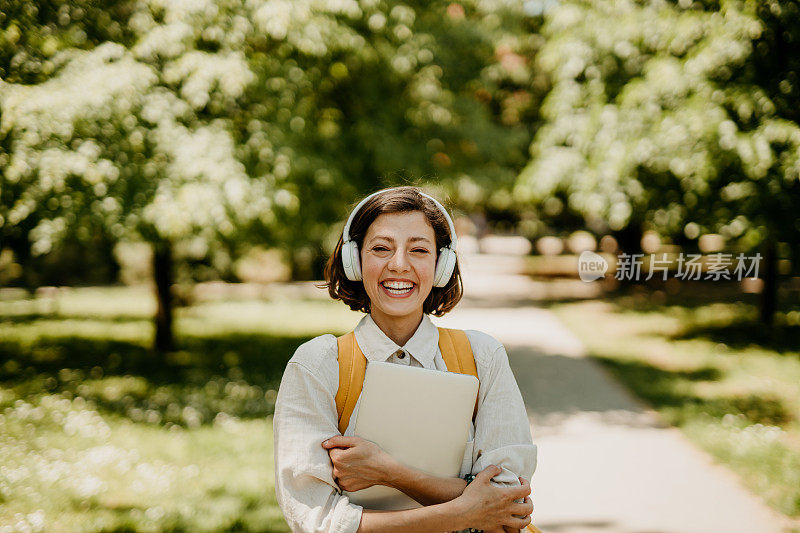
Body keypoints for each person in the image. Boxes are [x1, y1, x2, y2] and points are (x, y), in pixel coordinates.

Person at [273, 186, 537, 532]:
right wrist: (464, 510)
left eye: (419, 250)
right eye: (381, 248)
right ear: (355, 261)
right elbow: (318, 522)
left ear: (441, 265)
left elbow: (508, 506)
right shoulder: (318, 366)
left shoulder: (482, 357)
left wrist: (389, 472)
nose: (399, 264)